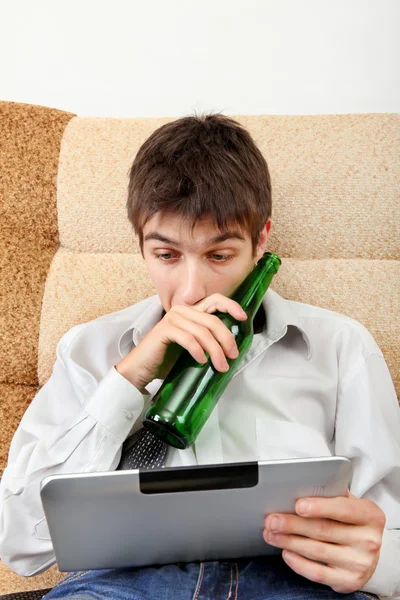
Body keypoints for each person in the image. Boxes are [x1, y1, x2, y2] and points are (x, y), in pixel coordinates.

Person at [0, 113, 399, 600]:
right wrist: (127, 382)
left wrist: (375, 563)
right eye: (167, 256)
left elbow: (392, 530)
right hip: (127, 586)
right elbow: (20, 544)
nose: (190, 292)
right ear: (141, 247)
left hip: (296, 586)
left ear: (261, 240)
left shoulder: (340, 347)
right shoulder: (90, 350)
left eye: (219, 255)